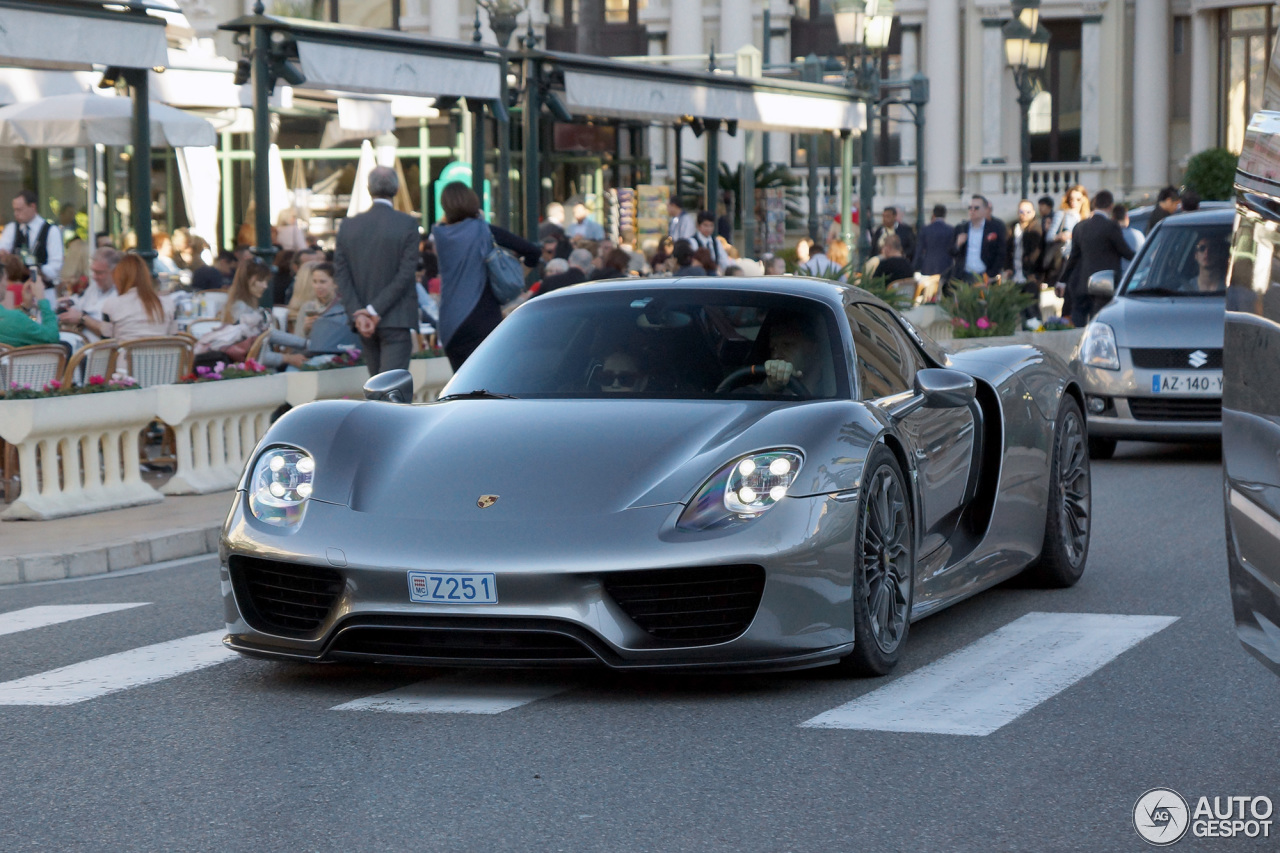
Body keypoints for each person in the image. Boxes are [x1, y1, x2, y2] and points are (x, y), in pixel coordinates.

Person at [431, 181, 540, 369]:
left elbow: (446, 224)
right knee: (487, 385)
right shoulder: (482, 230)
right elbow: (532, 251)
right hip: (483, 318)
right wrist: (517, 274)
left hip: (450, 322)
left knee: (460, 388)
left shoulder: (439, 235)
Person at [333, 165, 421, 375]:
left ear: (368, 189)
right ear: (397, 189)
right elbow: (406, 274)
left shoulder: (348, 225)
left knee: (377, 388)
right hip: (395, 318)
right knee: (392, 391)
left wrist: (360, 314)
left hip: (363, 320)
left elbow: (341, 275)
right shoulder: (407, 224)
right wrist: (373, 310)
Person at [1059, 189, 1134, 326]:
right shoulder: (1111, 226)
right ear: (1110, 206)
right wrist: (1143, 260)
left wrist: (1062, 280)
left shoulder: (1080, 227)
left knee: (1078, 325)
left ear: (1094, 204)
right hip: (1104, 285)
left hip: (1081, 284)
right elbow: (1125, 252)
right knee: (1099, 325)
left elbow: (1073, 258)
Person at [98, 254, 177, 341]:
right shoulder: (168, 304)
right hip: (163, 354)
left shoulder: (111, 305)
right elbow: (173, 339)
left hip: (127, 354)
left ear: (120, 278)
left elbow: (105, 342)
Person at [0, 190, 63, 290]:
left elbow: (55, 267)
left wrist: (33, 271)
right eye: (14, 210)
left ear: (33, 207)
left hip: (44, 291)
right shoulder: (11, 228)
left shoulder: (51, 231)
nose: (16, 214)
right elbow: (3, 248)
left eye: (19, 210)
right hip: (16, 291)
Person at [58, 247, 121, 342]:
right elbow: (80, 301)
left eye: (99, 272)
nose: (94, 276)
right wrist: (69, 302)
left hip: (100, 350)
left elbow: (110, 332)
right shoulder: (95, 287)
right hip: (80, 342)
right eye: (93, 271)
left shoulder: (120, 294)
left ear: (114, 272)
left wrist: (82, 318)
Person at [951, 194, 1007, 284]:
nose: (972, 211)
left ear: (985, 210)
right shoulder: (961, 228)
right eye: (970, 208)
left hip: (985, 275)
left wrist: (991, 274)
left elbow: (1001, 253)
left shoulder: (995, 228)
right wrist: (957, 244)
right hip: (964, 275)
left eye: (976, 208)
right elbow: (951, 252)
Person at [0, 264, 58, 347]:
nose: (6, 284)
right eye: (5, 279)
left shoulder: (11, 319)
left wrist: (26, 307)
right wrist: (42, 299)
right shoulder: (14, 319)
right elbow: (52, 337)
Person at [1043, 184, 1090, 287]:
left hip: (1081, 261)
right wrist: (1061, 236)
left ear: (1084, 200)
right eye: (1071, 199)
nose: (1074, 202)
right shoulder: (1062, 214)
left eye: (1078, 199)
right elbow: (1049, 237)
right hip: (1065, 258)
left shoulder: (1086, 217)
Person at [1005, 199, 1044, 320]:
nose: (1024, 214)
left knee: (1032, 309)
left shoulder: (1036, 228)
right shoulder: (1013, 228)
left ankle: (1036, 333)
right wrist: (1008, 268)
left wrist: (1036, 274)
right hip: (1015, 275)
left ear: (1033, 213)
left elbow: (1038, 253)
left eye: (1028, 211)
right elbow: (1007, 251)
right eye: (1022, 211)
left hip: (1030, 275)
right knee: (1020, 310)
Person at [915, 204, 953, 277]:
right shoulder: (951, 230)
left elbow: (919, 250)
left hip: (928, 266)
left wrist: (915, 266)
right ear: (945, 215)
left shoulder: (925, 229)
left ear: (934, 214)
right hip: (946, 265)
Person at [1113, 204, 1145, 277]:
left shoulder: (1111, 237)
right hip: (1138, 277)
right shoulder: (1139, 235)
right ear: (1126, 217)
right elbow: (1147, 260)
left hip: (1119, 280)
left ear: (1113, 218)